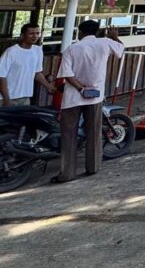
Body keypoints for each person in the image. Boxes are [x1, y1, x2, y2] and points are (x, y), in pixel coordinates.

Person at [53, 20, 124, 184]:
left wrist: (80, 89)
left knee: (69, 135)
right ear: (97, 31)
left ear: (80, 32)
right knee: (94, 132)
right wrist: (114, 37)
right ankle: (93, 167)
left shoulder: (72, 48)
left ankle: (67, 173)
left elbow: (67, 75)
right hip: (95, 97)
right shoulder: (105, 43)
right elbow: (121, 50)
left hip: (72, 98)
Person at [0, 23, 55, 107]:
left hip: (25, 97)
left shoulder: (38, 51)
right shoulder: (11, 51)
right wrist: (6, 99)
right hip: (7, 97)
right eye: (31, 33)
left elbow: (37, 73)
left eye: (37, 33)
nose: (35, 36)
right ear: (22, 35)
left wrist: (48, 86)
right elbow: (1, 76)